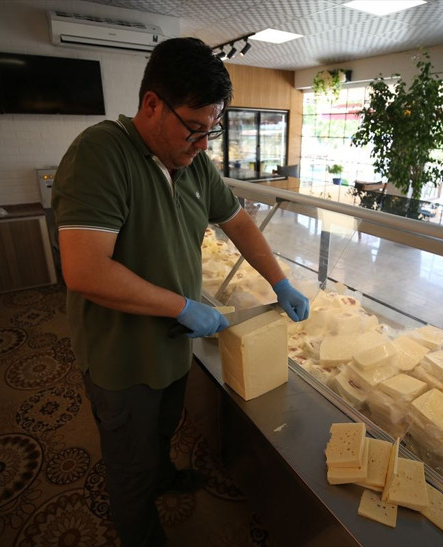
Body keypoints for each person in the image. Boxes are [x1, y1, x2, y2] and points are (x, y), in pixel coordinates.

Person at [52, 37, 310, 545]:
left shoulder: (195, 166)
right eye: (194, 128)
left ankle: (164, 474)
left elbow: (240, 224)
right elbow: (85, 271)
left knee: (164, 427)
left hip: (172, 347)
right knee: (129, 462)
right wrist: (182, 306)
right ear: (152, 104)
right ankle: (142, 531)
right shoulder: (101, 154)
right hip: (121, 356)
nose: (202, 143)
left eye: (210, 131)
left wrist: (279, 280)